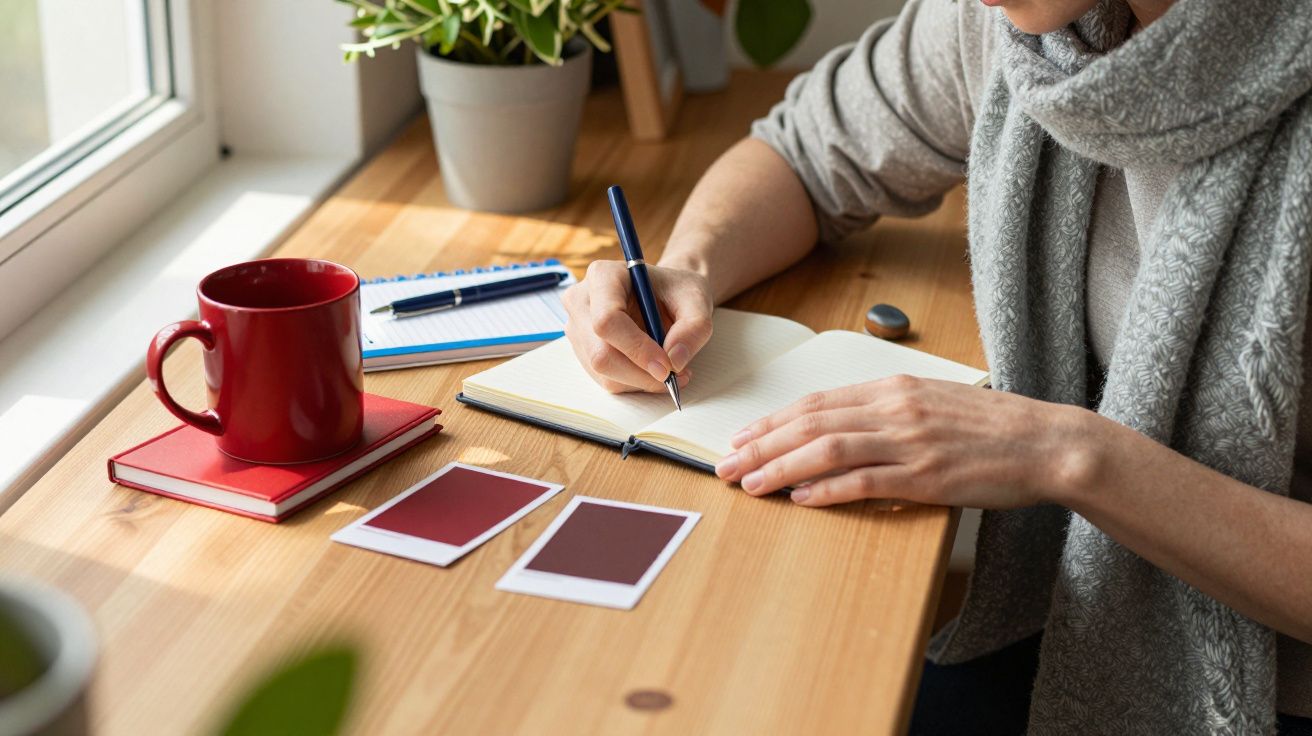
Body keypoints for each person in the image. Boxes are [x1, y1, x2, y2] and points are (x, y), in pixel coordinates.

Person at [561, 0, 1312, 732]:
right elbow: (802, 151)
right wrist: (687, 270)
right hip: (1069, 616)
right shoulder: (1025, 30)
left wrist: (1072, 457)